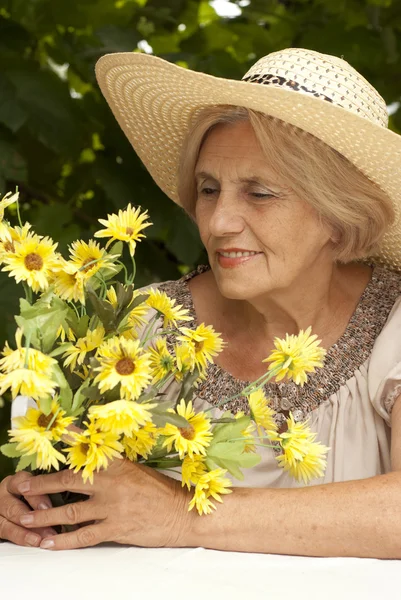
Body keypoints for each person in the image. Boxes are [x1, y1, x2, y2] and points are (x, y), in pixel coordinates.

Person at [2, 47, 401, 558]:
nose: (217, 223)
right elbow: (68, 508)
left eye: (259, 194)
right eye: (209, 189)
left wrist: (181, 513)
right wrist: (33, 507)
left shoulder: (393, 325)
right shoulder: (132, 329)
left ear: (339, 214)